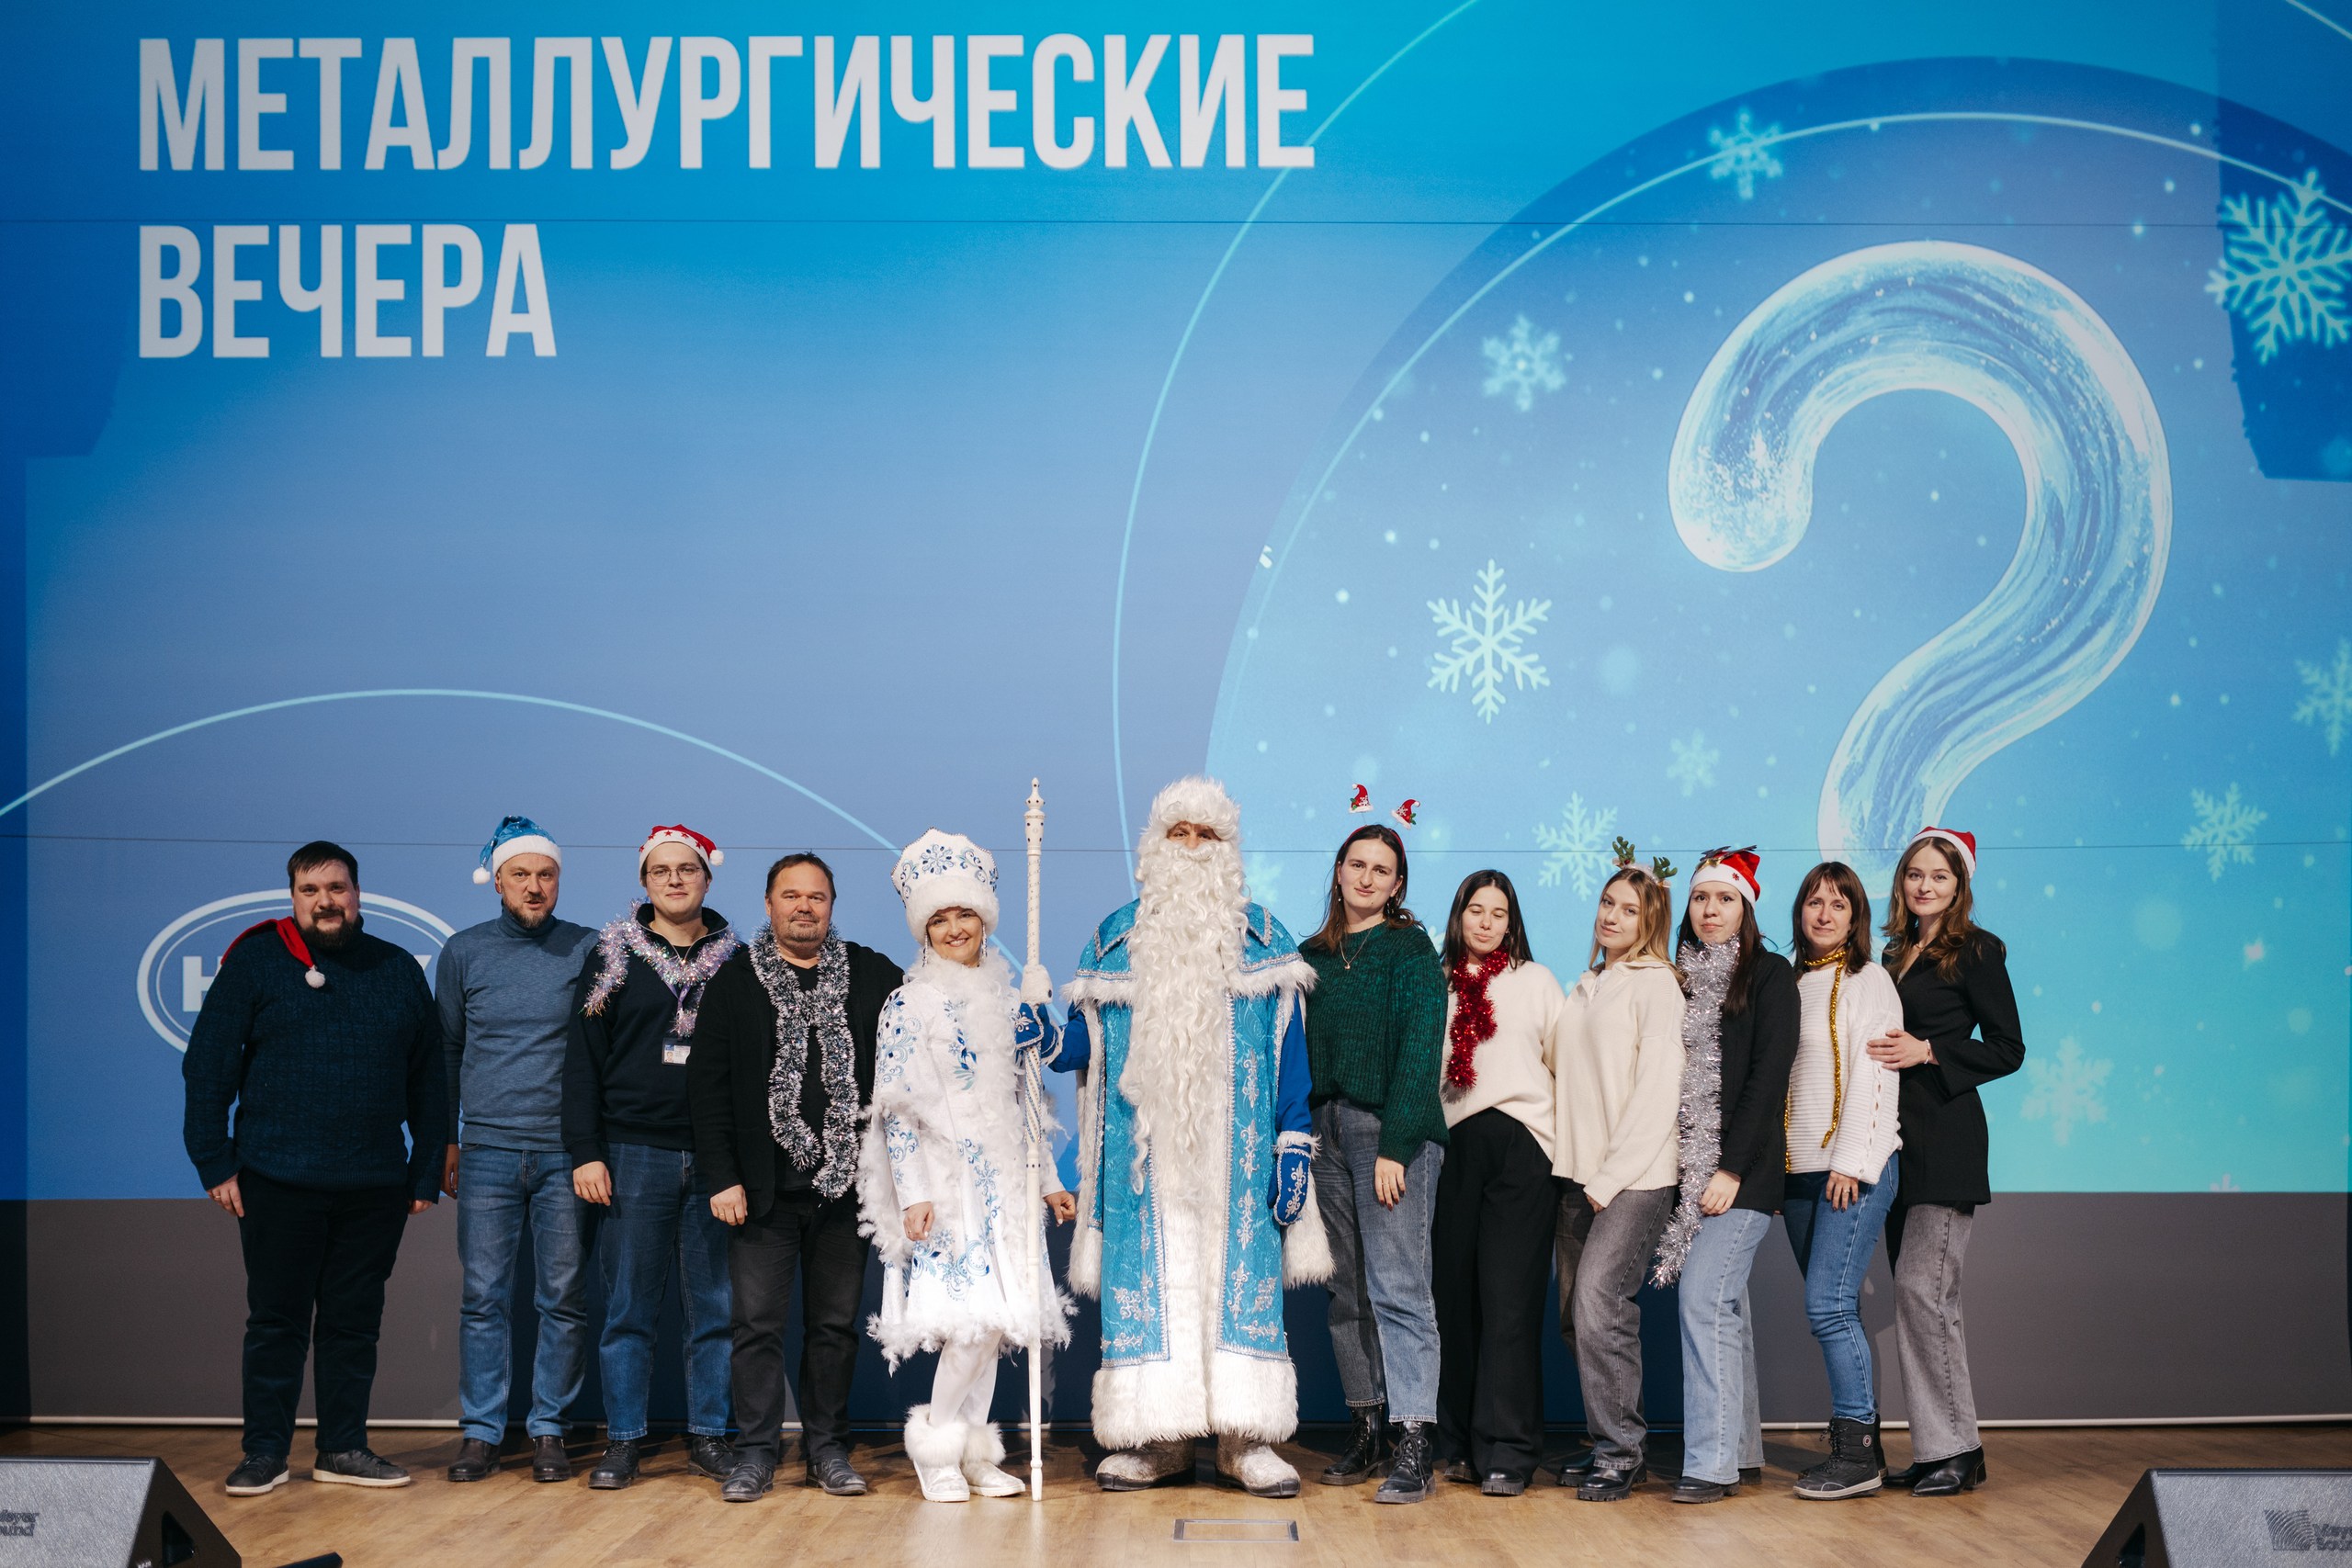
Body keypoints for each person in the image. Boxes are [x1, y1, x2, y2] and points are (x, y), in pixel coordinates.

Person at [1048, 775, 1332, 1497]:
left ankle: (1246, 1441)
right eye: (1181, 832)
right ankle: (1159, 1439)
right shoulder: (1116, 942)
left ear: (1229, 848)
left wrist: (1293, 1143)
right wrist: (1045, 1037)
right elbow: (1087, 1045)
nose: (1194, 846)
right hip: (1145, 1164)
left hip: (1239, 1161)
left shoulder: (1265, 942)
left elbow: (1290, 1056)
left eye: (1209, 834)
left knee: (1237, 1292)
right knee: (1154, 1292)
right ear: (1157, 844)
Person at [182, 841, 446, 1496]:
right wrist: (214, 1161)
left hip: (374, 1185)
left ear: (357, 893)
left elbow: (430, 1081)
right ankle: (265, 1453)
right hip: (276, 1179)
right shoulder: (256, 962)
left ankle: (343, 1447)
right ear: (293, 897)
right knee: (276, 1322)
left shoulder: (396, 969)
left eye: (337, 887)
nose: (325, 901)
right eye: (310, 890)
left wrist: (423, 1172)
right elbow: (208, 1066)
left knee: (353, 1325)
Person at [857, 830, 1078, 1502]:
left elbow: (1027, 1101)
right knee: (969, 1324)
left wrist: (1049, 1181)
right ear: (924, 928)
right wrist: (913, 1193)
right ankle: (935, 1445)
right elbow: (896, 1109)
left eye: (966, 914)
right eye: (940, 918)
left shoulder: (1009, 1002)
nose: (955, 928)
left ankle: (975, 1449)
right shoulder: (908, 1004)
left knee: (998, 1323)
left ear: (985, 919)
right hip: (948, 1187)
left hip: (1005, 1186)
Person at [689, 852, 902, 1501]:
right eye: (791, 895)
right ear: (768, 904)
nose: (804, 906)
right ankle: (755, 1452)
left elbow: (929, 1016)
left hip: (845, 1191)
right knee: (756, 1326)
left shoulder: (871, 973)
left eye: (816, 896)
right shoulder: (734, 981)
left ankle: (826, 1448)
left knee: (834, 1327)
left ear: (831, 906)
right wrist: (722, 1176)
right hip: (761, 1195)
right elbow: (707, 1088)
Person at [562, 825, 741, 1490]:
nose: (674, 880)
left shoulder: (738, 961)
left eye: (686, 869)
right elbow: (581, 1061)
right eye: (661, 870)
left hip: (714, 1158)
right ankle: (624, 1441)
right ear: (644, 882)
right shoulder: (611, 954)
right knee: (629, 1309)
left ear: (707, 878)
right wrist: (587, 1151)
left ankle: (709, 1435)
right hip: (632, 1152)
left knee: (714, 1309)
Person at [440, 816, 599, 1484]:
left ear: (558, 880)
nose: (534, 886)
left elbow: (602, 1051)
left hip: (564, 1152)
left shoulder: (589, 947)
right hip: (487, 1151)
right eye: (520, 875)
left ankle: (549, 1428)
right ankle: (480, 1432)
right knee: (483, 1296)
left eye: (545, 874)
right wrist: (447, 1138)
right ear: (497, 881)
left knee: (562, 1297)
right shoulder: (463, 951)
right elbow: (448, 1048)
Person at [1867, 827, 2024, 1497]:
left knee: (1922, 1292)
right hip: (1895, 1144)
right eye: (1915, 874)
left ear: (1960, 885)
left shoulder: (1978, 950)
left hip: (1948, 1142)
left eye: (1939, 875)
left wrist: (1930, 1050)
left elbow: (2009, 1048)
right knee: (1923, 1299)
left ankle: (1953, 1448)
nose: (1924, 885)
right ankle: (1947, 1448)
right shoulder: (1892, 953)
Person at [1298, 823, 1448, 1504]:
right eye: (1356, 864)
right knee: (1346, 1290)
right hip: (1323, 1132)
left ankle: (1414, 1437)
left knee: (1399, 1286)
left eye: (1381, 869)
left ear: (1397, 884)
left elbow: (1421, 1044)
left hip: (1388, 1131)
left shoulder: (1408, 948)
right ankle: (1366, 1426)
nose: (1366, 877)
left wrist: (1397, 1144)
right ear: (1338, 871)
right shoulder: (1311, 957)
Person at [1651, 848, 1797, 1505]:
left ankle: (1710, 1464)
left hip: (1743, 1172)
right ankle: (1740, 1450)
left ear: (1746, 908)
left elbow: (1768, 1077)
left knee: (1703, 1299)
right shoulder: (1678, 977)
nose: (1711, 910)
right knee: (1726, 1308)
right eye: (1701, 897)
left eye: (1725, 898)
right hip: (1688, 1170)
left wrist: (1731, 1168)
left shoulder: (1769, 975)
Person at [1551, 840, 1684, 1501]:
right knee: (1576, 1316)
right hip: (1578, 1175)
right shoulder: (1585, 985)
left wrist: (1607, 1180)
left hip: (1634, 1177)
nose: (1612, 915)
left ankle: (1622, 1450)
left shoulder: (1656, 986)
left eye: (1629, 910)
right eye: (1608, 902)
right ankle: (1608, 1436)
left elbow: (1658, 1094)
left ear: (1649, 922)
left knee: (1600, 1302)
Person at [1430, 870, 1562, 1497]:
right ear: (1459, 915)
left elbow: (1566, 1066)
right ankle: (1457, 1444)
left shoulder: (1535, 981)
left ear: (1512, 923)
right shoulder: (1435, 982)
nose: (1486, 922)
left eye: (1499, 913)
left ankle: (1508, 1450)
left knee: (1509, 1301)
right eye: (1475, 910)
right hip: (1452, 1149)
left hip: (1521, 1148)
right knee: (1454, 1299)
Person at [1781, 859, 1905, 1501]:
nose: (1824, 913)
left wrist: (1852, 1162)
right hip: (1798, 1175)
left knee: (1827, 1305)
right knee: (1835, 1306)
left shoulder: (1868, 980)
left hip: (1850, 1170)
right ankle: (1866, 1447)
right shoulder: (1791, 982)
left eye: (1838, 903)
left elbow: (1877, 1076)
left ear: (1856, 916)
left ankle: (1855, 1455)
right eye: (1814, 902)